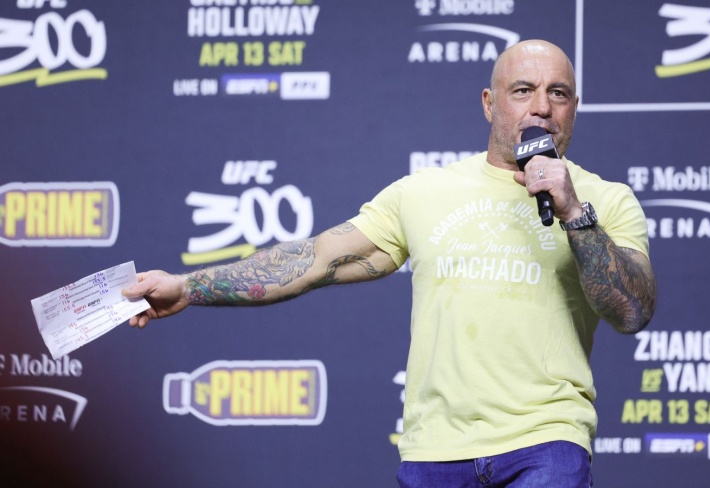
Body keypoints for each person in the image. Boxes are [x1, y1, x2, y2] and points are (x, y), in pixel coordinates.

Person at [123, 39, 656, 487]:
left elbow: (632, 311)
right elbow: (315, 260)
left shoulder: (606, 201)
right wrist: (187, 287)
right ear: (489, 103)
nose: (541, 107)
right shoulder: (423, 192)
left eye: (557, 93)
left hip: (546, 443)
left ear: (574, 107)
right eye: (523, 90)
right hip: (434, 451)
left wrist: (573, 212)